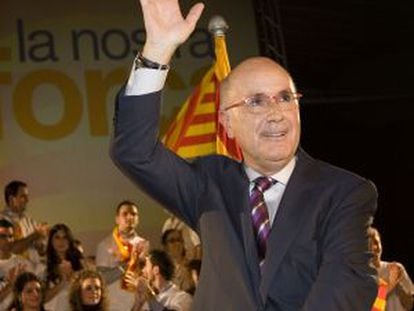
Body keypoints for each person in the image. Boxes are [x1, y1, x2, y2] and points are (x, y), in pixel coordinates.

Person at [109, 0, 378, 309]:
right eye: (256, 102)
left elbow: (348, 280)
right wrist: (157, 49)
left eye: (285, 98)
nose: (277, 113)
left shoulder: (344, 192)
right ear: (227, 122)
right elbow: (134, 152)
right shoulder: (208, 185)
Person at [95, 200, 149, 311]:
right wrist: (127, 265)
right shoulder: (104, 245)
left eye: (133, 214)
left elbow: (147, 277)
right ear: (117, 219)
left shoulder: (144, 244)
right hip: (115, 304)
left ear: (138, 219)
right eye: (125, 214)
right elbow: (102, 279)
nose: (129, 217)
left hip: (139, 302)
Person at [125, 249, 192, 311]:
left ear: (156, 270)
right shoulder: (151, 299)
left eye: (146, 266)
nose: (143, 270)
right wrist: (138, 303)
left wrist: (149, 295)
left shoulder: (182, 298)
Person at [1, 181, 49, 267]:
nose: (27, 200)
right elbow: (10, 250)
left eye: (27, 196)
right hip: (10, 272)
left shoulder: (31, 222)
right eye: (23, 196)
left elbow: (41, 251)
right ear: (12, 199)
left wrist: (41, 246)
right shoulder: (2, 221)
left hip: (33, 272)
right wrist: (34, 235)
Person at [0, 219, 44, 310]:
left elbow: (37, 295)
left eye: (11, 236)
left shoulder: (23, 263)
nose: (8, 240)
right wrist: (11, 285)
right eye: (2, 236)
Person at [368, 227, 414, 311]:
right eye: (369, 245)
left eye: (376, 242)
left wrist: (399, 282)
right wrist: (391, 285)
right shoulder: (362, 274)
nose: (375, 248)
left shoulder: (397, 268)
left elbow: (409, 304)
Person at [43, 223, 84, 311]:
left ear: (69, 240)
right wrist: (63, 282)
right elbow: (42, 298)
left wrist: (74, 277)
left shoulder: (79, 264)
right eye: (57, 237)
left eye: (65, 237)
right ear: (51, 241)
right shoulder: (43, 266)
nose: (61, 241)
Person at [161, 229, 194, 294]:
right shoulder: (162, 270)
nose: (177, 243)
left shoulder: (191, 267)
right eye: (172, 241)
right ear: (165, 246)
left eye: (179, 240)